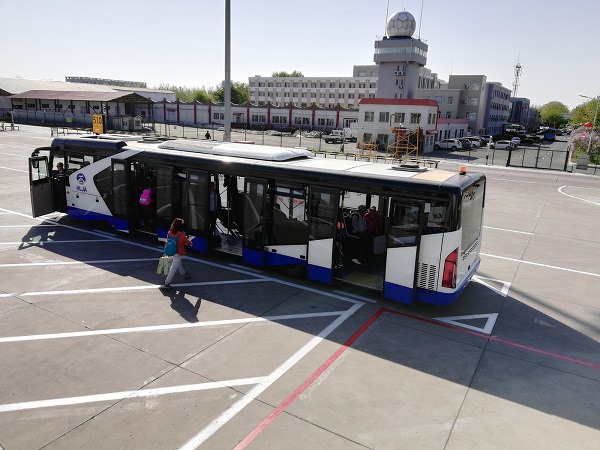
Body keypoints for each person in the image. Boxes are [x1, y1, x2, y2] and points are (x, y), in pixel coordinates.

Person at [160, 218, 192, 290]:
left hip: (170, 251)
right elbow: (186, 242)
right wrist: (190, 243)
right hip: (177, 252)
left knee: (178, 263)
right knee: (173, 268)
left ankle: (184, 274)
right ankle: (167, 283)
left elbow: (167, 241)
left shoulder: (170, 232)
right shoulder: (181, 235)